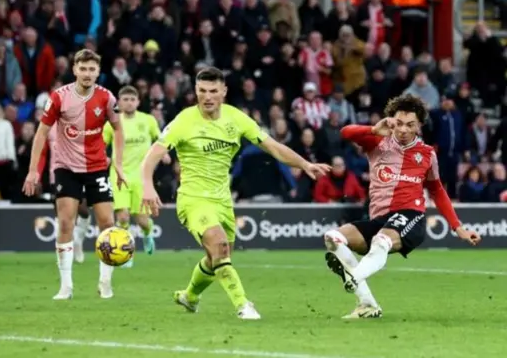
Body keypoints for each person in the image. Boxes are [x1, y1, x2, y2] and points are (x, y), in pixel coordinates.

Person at [140, 67, 331, 319]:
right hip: (194, 200)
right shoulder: (183, 121)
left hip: (223, 200)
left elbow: (272, 146)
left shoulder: (236, 118)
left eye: (213, 91)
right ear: (196, 92)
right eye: (202, 91)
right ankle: (243, 305)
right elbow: (151, 157)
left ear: (224, 92)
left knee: (217, 256)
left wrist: (304, 164)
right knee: (219, 246)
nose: (207, 97)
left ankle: (190, 296)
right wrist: (147, 186)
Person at [324, 95, 481, 319]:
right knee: (333, 238)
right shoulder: (377, 142)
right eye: (399, 123)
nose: (404, 130)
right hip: (380, 219)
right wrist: (374, 128)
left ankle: (354, 276)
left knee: (381, 240)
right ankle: (367, 304)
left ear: (419, 126)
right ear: (391, 122)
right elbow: (345, 132)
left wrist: (458, 227)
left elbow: (437, 190)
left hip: (411, 216)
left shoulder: (427, 154)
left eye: (410, 125)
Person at [23, 49, 126, 300]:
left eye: (92, 69)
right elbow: (40, 134)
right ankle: (66, 286)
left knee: (107, 223)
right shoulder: (59, 97)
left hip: (97, 166)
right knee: (66, 222)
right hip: (66, 167)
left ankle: (105, 282)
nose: (88, 73)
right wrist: (32, 171)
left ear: (98, 72)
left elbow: (119, 129)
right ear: (75, 70)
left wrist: (119, 164)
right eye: (83, 68)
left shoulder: (106, 98)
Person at [103, 85, 165, 268]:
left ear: (137, 102)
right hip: (119, 174)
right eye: (125, 100)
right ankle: (125, 254)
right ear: (119, 103)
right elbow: (100, 144)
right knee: (122, 217)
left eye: (132, 99)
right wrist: (103, 158)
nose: (129, 103)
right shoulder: (111, 123)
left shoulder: (148, 120)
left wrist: (165, 154)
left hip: (141, 177)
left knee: (142, 221)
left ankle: (148, 233)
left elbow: (160, 140)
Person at [37, 121, 92, 264]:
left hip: (81, 172)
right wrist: (36, 174)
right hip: (57, 174)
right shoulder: (48, 125)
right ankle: (62, 255)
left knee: (84, 210)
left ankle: (78, 239)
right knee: (62, 217)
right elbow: (42, 152)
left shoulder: (80, 120)